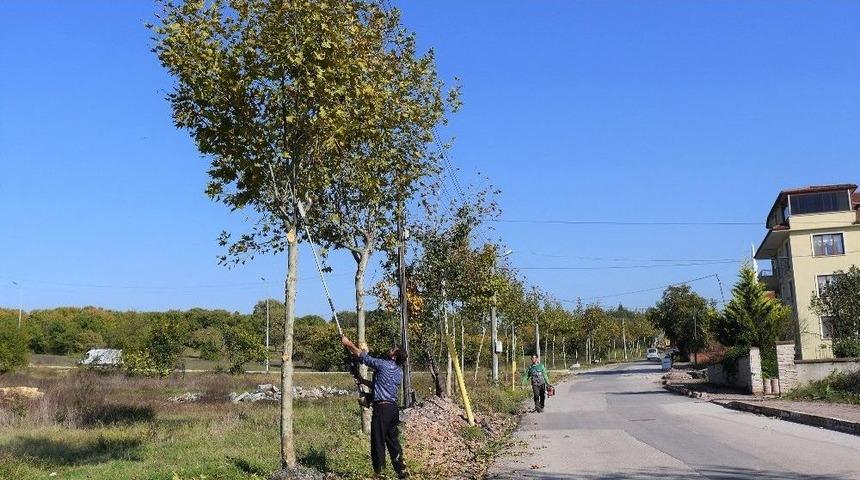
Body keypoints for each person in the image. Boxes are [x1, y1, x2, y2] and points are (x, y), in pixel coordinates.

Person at [342, 334, 409, 479]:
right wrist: (362, 380)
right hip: (393, 410)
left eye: (393, 349)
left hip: (382, 410)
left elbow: (363, 356)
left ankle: (380, 473)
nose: (390, 349)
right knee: (393, 441)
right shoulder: (399, 372)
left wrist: (348, 344)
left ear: (394, 356)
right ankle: (402, 471)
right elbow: (378, 386)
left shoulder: (384, 364)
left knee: (377, 442)